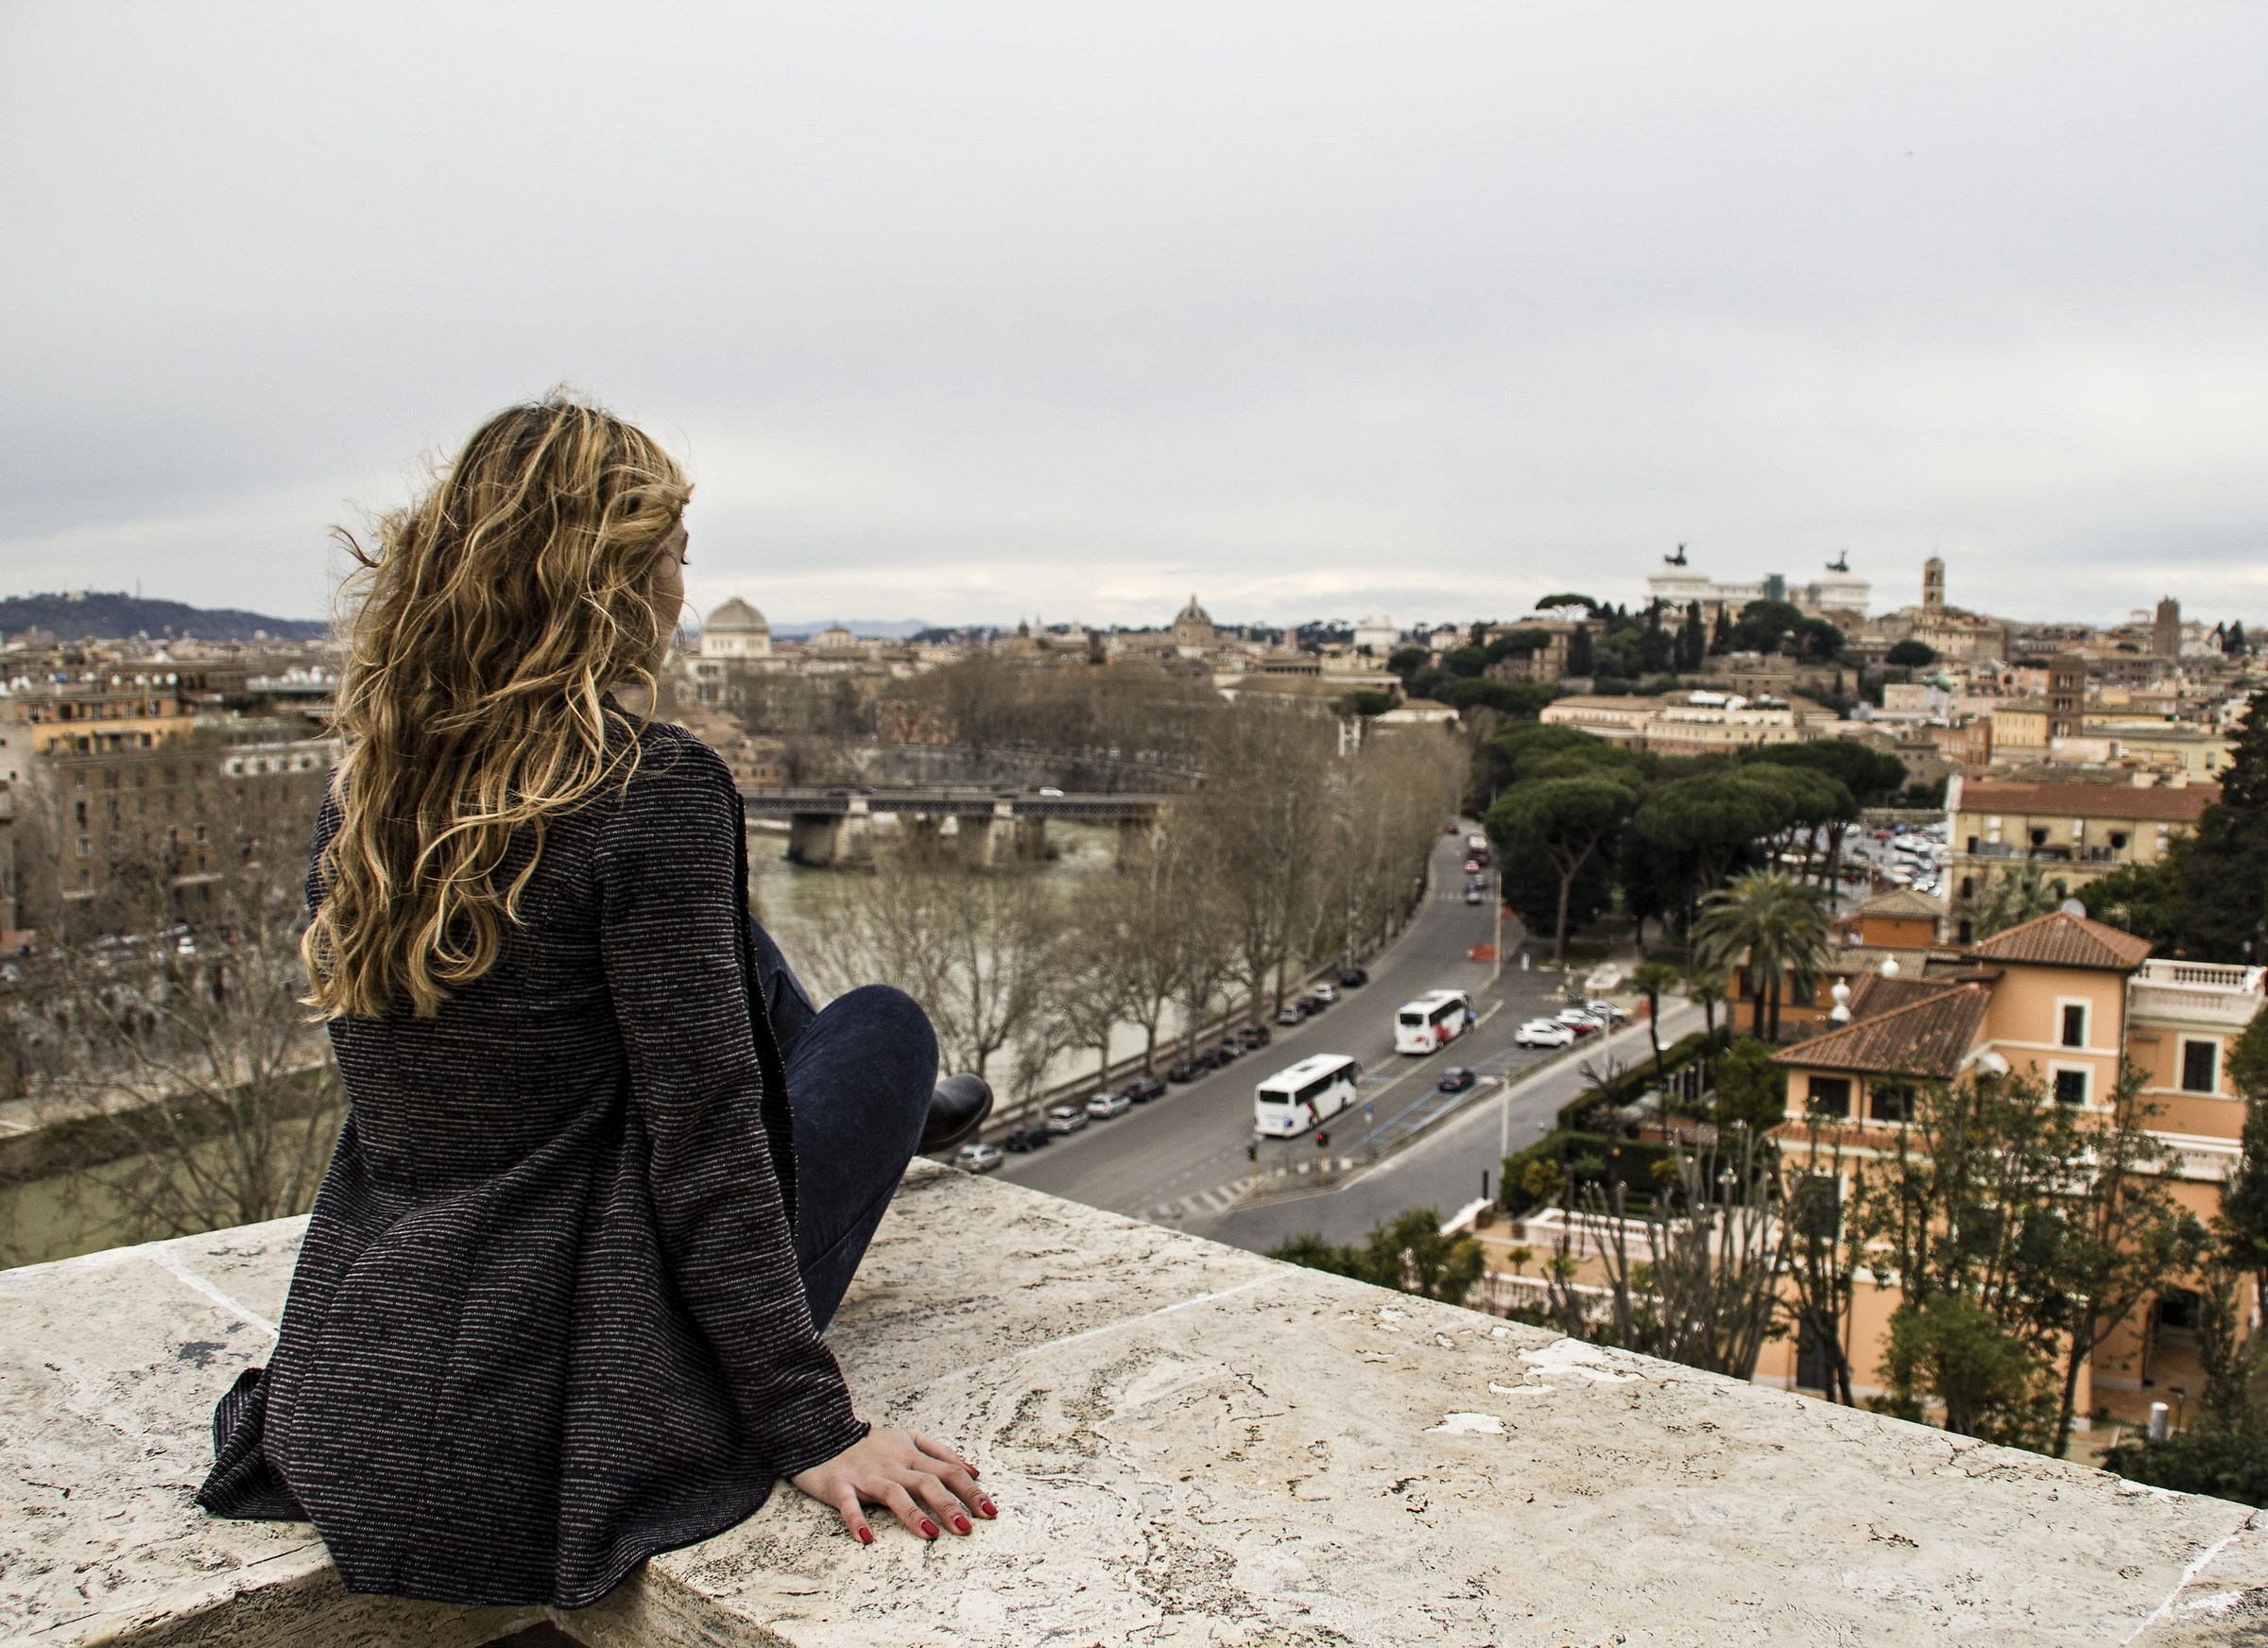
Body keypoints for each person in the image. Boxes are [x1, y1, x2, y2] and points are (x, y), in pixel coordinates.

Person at [197, 395, 997, 1608]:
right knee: (884, 1023)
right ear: (614, 582)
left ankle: (859, 1084)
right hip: (581, 1362)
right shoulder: (656, 791)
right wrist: (811, 1422)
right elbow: (707, 1143)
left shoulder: (371, 786)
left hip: (366, 1369)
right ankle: (889, 1097)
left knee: (713, 942)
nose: (686, 586)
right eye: (675, 556)